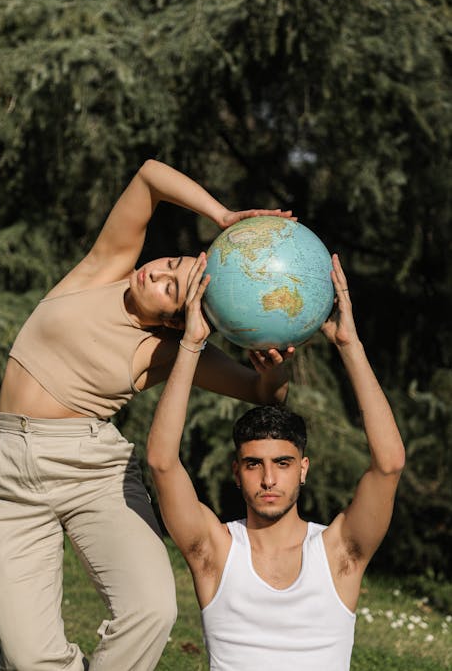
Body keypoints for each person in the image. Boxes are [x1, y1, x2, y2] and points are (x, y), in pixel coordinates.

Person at [0, 159, 295, 671]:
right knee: (28, 658)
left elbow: (262, 392)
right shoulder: (106, 267)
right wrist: (222, 215)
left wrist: (275, 369)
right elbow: (149, 176)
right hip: (10, 471)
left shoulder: (165, 349)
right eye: (171, 263)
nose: (157, 271)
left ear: (175, 320)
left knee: (150, 610)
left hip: (93, 472)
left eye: (170, 286)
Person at [147, 252, 406, 671]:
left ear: (303, 469)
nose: (268, 479)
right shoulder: (216, 551)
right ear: (237, 472)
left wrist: (349, 345)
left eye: (283, 463)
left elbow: (389, 464)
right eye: (253, 465)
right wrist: (192, 344)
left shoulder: (338, 553)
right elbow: (161, 462)